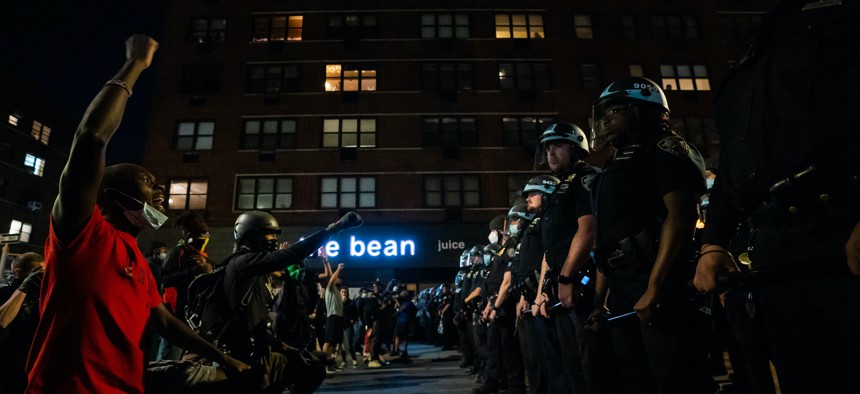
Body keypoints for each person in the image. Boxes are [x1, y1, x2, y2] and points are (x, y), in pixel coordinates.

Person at [24, 34, 250, 394]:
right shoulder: (83, 235)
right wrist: (136, 65)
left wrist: (221, 358)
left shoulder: (139, 261)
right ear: (113, 197)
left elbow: (163, 320)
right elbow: (90, 138)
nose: (159, 190)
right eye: (147, 181)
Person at [694, 2, 860, 392]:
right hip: (777, 248)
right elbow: (735, 154)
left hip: (843, 228)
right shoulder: (762, 39)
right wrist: (713, 241)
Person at [589, 76, 714, 393]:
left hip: (658, 279)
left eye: (613, 111)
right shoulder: (614, 162)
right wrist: (600, 300)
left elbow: (682, 215)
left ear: (638, 110)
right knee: (635, 379)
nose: (605, 120)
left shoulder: (664, 147)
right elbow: (606, 239)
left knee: (675, 376)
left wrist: (656, 287)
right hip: (623, 284)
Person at [210, 210, 361, 392]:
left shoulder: (255, 272)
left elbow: (253, 323)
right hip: (238, 356)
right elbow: (291, 254)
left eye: (274, 233)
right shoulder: (242, 263)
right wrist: (333, 229)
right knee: (306, 370)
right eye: (268, 233)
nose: (273, 238)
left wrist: (285, 348)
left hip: (257, 349)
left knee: (312, 367)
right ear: (248, 235)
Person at [532, 122, 606, 394]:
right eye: (547, 148)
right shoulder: (560, 189)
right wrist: (543, 290)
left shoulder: (586, 178)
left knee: (592, 363)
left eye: (559, 146)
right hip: (560, 287)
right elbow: (550, 249)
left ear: (577, 149)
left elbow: (588, 230)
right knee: (571, 362)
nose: (551, 153)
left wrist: (566, 277)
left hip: (581, 283)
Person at [0, 253, 44, 393]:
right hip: (6, 367)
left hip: (31, 368)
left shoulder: (44, 296)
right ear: (18, 273)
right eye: (35, 273)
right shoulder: (5, 291)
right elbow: (2, 320)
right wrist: (25, 287)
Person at [322, 261, 345, 371]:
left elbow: (331, 276)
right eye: (338, 277)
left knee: (334, 343)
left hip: (338, 317)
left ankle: (331, 364)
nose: (339, 278)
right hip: (333, 317)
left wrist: (326, 262)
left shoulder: (336, 290)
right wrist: (339, 269)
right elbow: (331, 278)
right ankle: (323, 364)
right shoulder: (330, 288)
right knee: (328, 342)